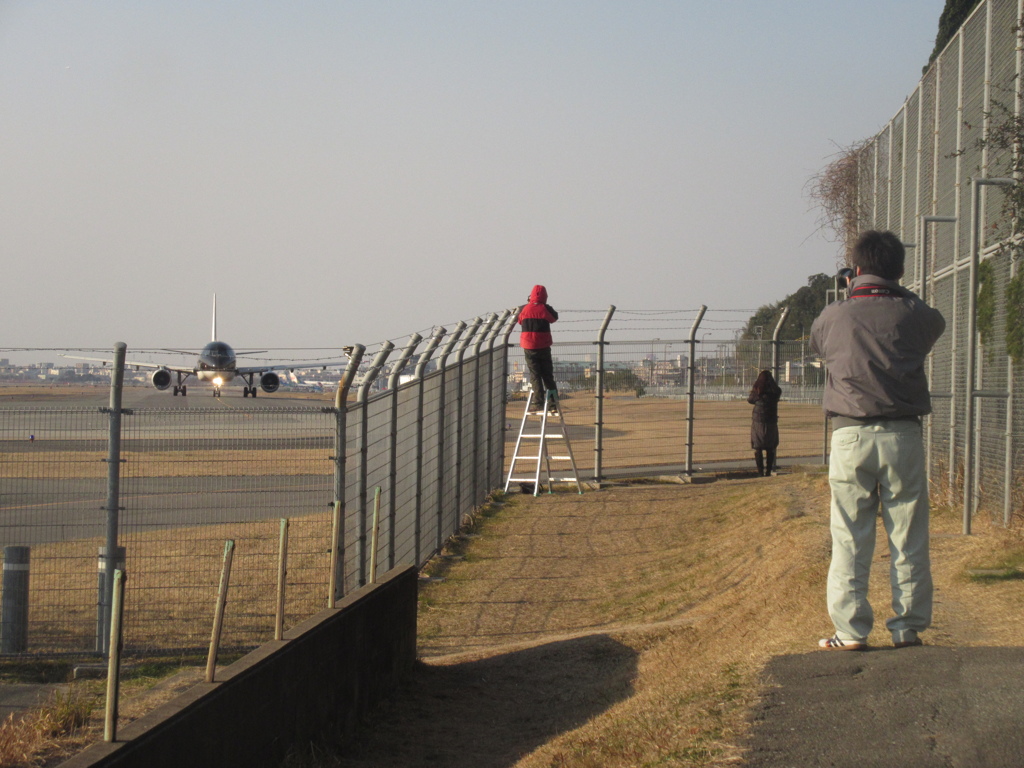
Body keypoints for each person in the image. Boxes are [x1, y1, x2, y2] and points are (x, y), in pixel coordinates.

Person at [810, 230, 946, 651]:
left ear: (856, 269)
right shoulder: (916, 313)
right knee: (908, 533)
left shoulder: (835, 315)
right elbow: (932, 322)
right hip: (903, 433)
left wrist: (853, 292)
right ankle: (907, 625)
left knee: (850, 534)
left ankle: (851, 631)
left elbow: (820, 347)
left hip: (850, 433)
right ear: (900, 270)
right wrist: (895, 290)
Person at [517, 285, 559, 411]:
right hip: (543, 346)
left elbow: (519, 321)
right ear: (545, 297)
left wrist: (530, 303)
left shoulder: (524, 309)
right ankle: (553, 404)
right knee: (547, 376)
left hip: (529, 346)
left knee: (535, 375)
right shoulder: (545, 308)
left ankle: (538, 403)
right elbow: (554, 318)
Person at [747, 369, 781, 476]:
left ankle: (760, 471)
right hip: (771, 421)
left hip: (758, 421)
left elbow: (750, 400)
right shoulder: (776, 392)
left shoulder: (758, 391)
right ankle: (768, 471)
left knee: (758, 446)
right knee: (770, 447)